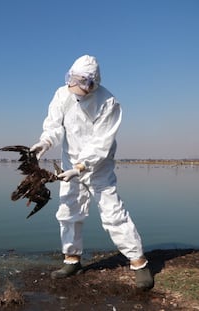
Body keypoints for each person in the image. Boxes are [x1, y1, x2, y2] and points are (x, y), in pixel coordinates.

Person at [30, 55, 154, 290]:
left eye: (78, 81)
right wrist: (44, 142)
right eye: (70, 79)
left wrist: (81, 167)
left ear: (91, 83)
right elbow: (54, 126)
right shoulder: (62, 94)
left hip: (98, 167)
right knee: (68, 212)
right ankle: (72, 260)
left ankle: (139, 263)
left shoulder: (109, 103)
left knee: (113, 214)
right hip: (70, 164)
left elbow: (101, 143)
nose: (72, 85)